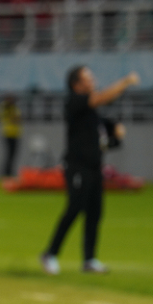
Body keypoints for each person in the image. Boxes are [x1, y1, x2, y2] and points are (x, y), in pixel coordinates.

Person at [41, 67, 139, 275]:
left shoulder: (92, 114)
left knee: (95, 213)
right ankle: (50, 253)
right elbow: (101, 98)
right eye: (88, 78)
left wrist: (116, 135)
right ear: (76, 84)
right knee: (74, 208)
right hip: (77, 166)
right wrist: (125, 82)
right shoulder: (75, 101)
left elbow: (105, 139)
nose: (93, 81)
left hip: (95, 169)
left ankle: (89, 259)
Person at [0, 94, 22, 177]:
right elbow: (14, 119)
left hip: (15, 134)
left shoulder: (14, 108)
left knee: (13, 155)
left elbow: (18, 119)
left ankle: (9, 172)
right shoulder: (5, 107)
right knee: (9, 154)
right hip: (8, 134)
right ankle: (6, 172)